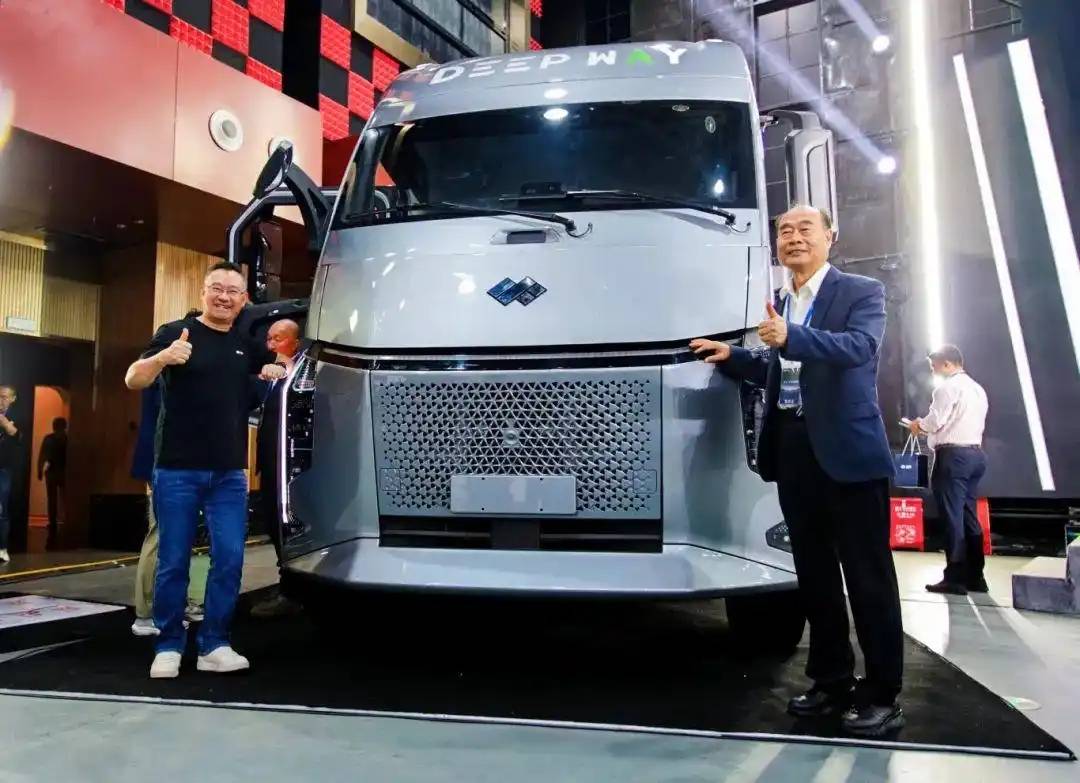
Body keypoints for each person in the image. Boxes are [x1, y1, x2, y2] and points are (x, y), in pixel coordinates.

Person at [690, 204, 905, 737]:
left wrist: (792, 337)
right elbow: (777, 366)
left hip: (849, 454)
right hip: (794, 450)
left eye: (805, 228)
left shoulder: (861, 292)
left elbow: (860, 348)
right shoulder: (782, 300)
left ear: (831, 236)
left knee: (868, 578)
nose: (793, 237)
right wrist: (733, 355)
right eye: (784, 230)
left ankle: (882, 694)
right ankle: (831, 681)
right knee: (814, 575)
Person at [124, 262, 285, 679]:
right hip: (176, 469)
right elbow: (133, 378)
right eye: (217, 288)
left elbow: (280, 365)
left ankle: (214, 643)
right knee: (173, 560)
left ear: (243, 299)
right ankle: (168, 645)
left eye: (233, 291)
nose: (224, 297)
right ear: (203, 292)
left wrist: (275, 368)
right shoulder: (175, 332)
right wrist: (163, 357)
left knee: (230, 558)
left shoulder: (245, 344)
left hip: (229, 474)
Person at [129, 378, 209, 637]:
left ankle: (174, 603)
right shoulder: (163, 367)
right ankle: (148, 612)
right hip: (163, 461)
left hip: (171, 461)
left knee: (174, 537)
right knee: (161, 535)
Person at [907, 345, 989, 595]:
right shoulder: (977, 389)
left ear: (947, 363)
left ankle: (954, 576)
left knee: (952, 517)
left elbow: (935, 422)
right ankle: (976, 576)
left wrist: (918, 425)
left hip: (953, 457)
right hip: (975, 455)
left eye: (934, 366)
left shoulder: (947, 388)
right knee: (968, 515)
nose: (933, 371)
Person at [250, 319, 305, 618]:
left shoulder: (302, 374)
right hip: (270, 465)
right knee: (272, 524)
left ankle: (293, 590)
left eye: (278, 339)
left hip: (292, 467)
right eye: (269, 339)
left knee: (288, 526)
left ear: (296, 343)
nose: (271, 345)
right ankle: (286, 584)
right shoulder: (268, 373)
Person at [37, 417, 67, 550]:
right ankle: (65, 521)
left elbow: (42, 456)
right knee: (65, 498)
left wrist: (39, 471)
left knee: (52, 499)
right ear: (64, 426)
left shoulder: (49, 439)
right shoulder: (67, 439)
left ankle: (53, 522)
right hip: (64, 472)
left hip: (51, 472)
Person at [0, 385, 21, 564]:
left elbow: (17, 435)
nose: (1, 401)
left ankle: (2, 548)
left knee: (2, 508)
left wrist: (6, 424)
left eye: (5, 397)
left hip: (3, 468)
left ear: (13, 399)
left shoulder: (18, 416)